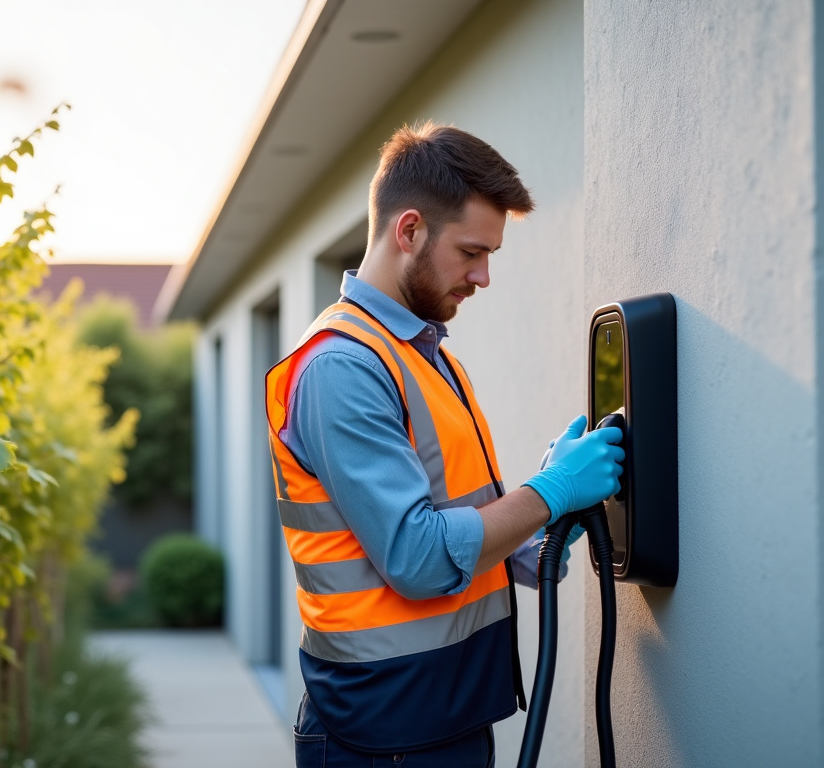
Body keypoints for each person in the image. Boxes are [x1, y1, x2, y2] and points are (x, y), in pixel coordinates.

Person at [265, 122, 625, 767]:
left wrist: (546, 528)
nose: (483, 276)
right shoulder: (342, 369)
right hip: (383, 734)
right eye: (471, 252)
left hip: (438, 718)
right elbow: (419, 556)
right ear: (409, 231)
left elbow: (456, 526)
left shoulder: (425, 357)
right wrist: (549, 493)